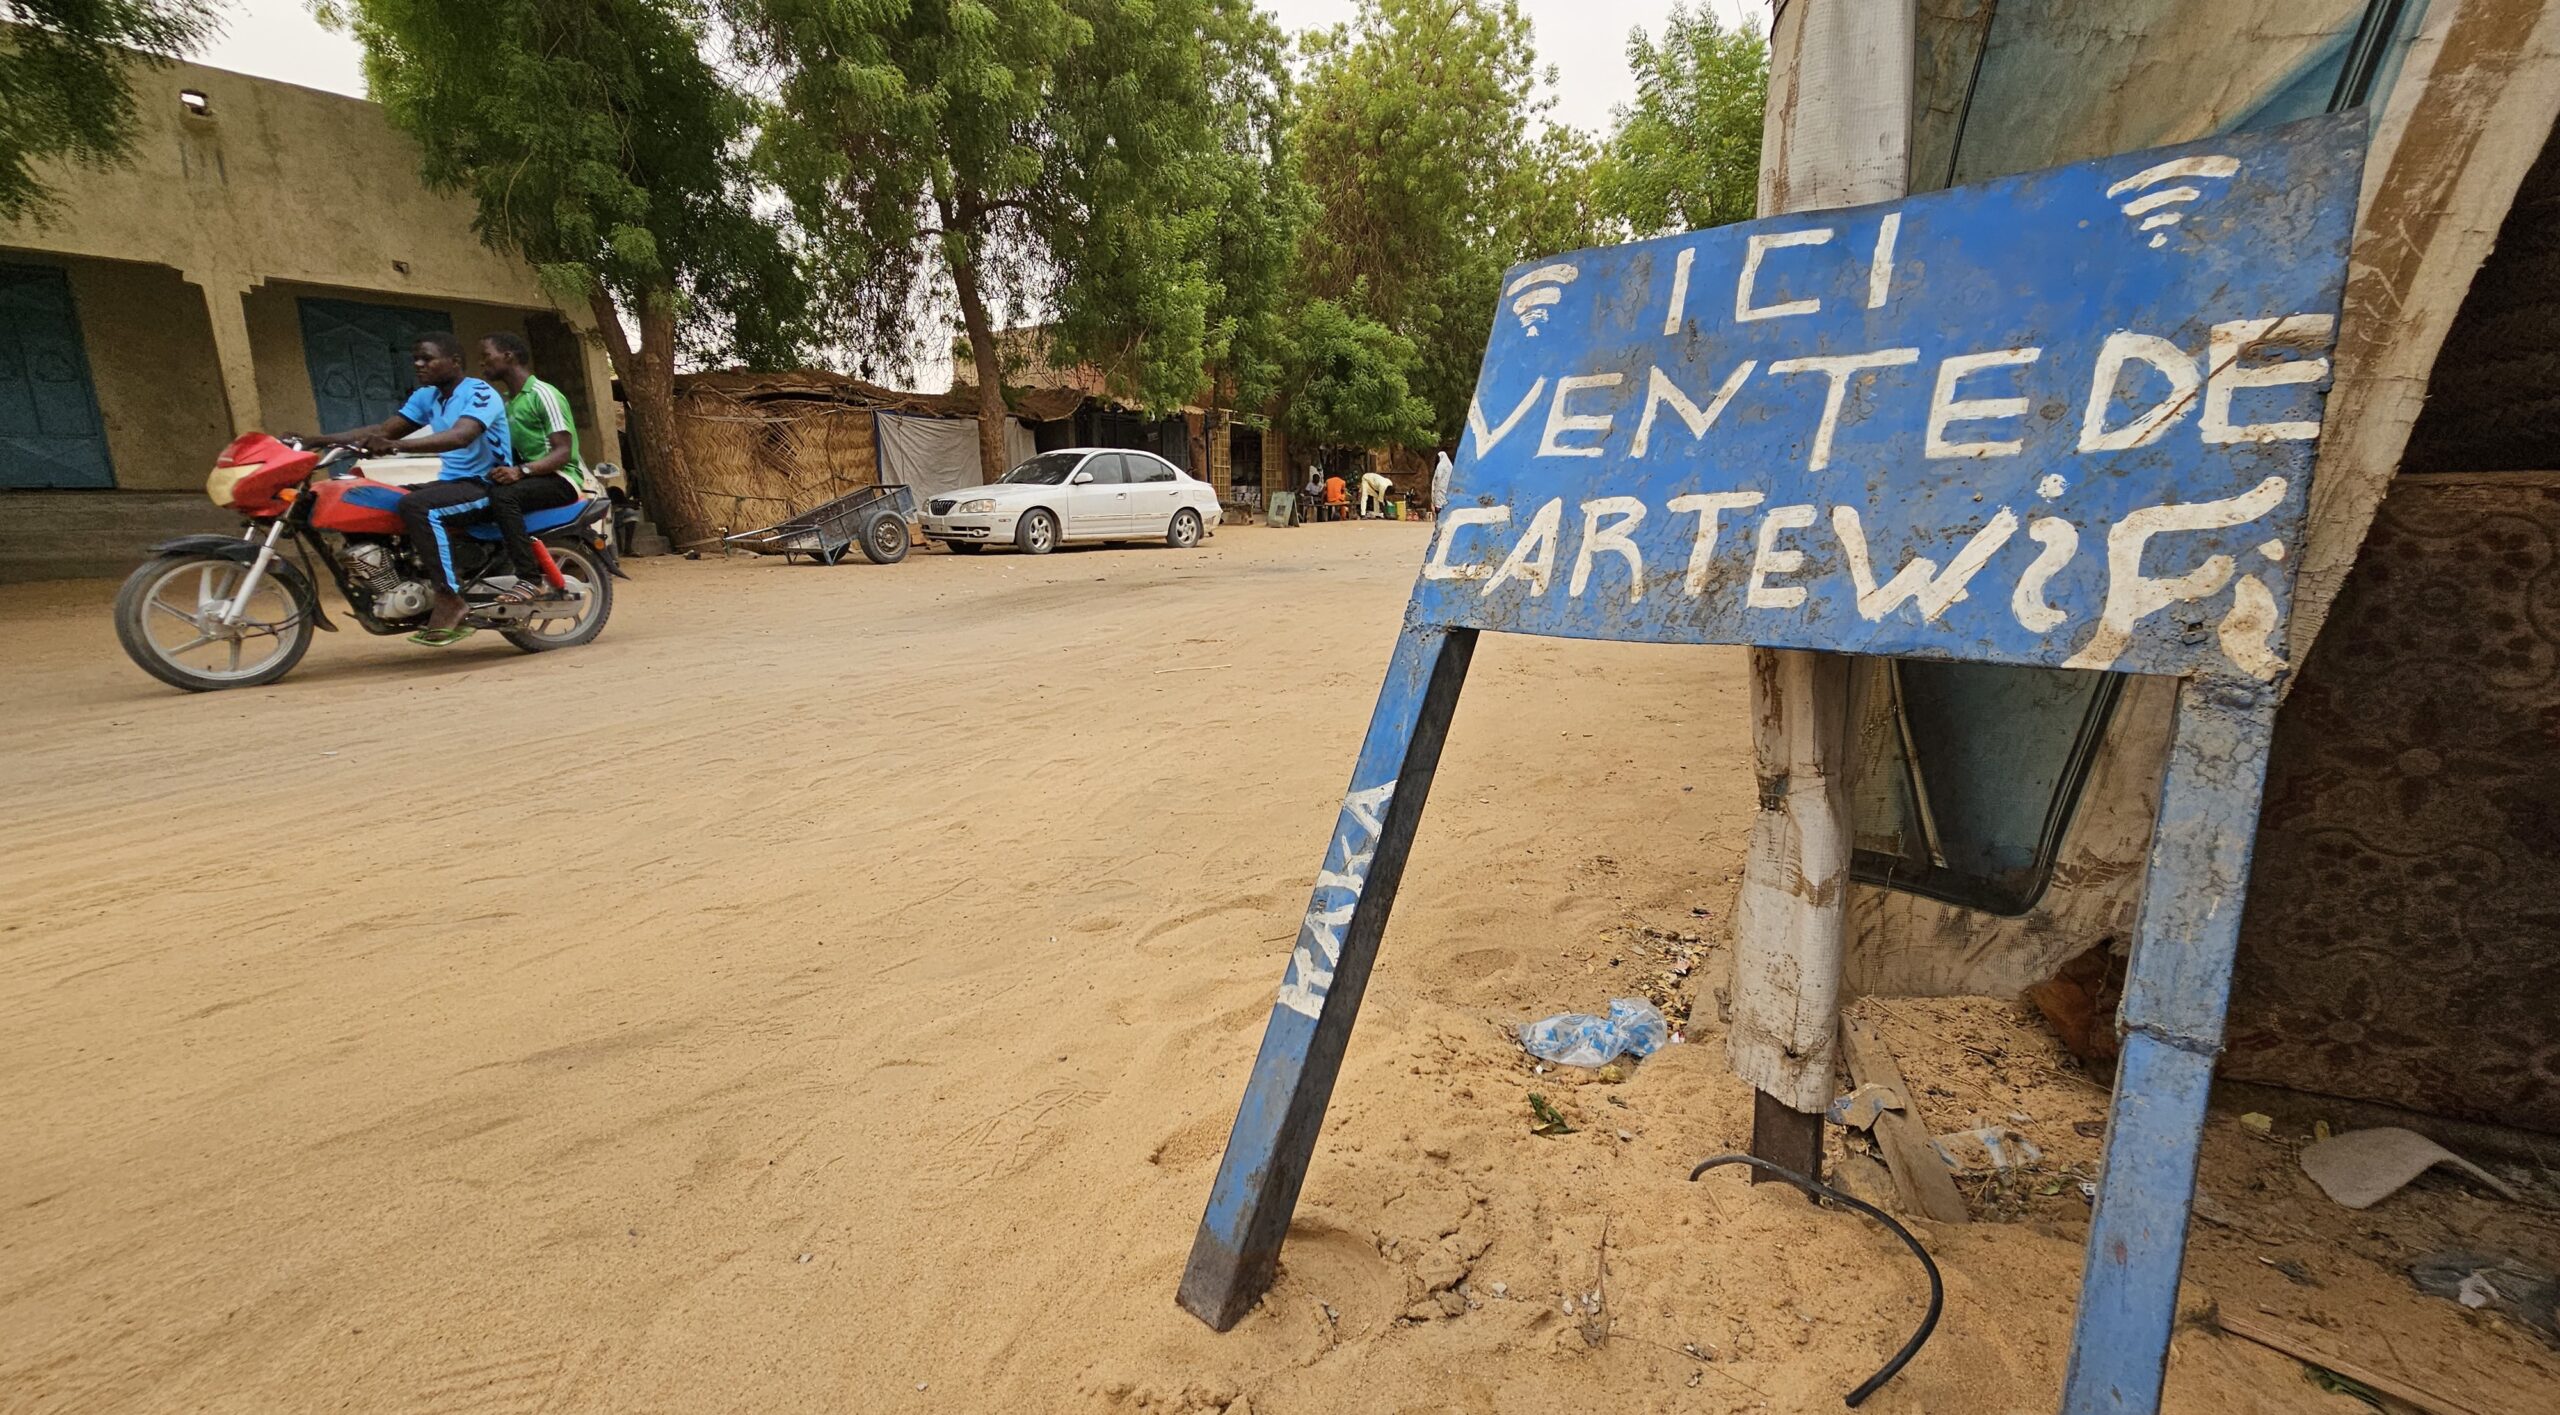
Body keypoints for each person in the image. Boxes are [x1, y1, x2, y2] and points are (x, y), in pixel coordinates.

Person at [305, 332, 512, 645]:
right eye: (416, 358)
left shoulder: (480, 392)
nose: (418, 364)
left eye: (427, 358)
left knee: (417, 506)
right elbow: (382, 431)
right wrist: (317, 441)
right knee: (370, 499)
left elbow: (460, 436)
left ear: (454, 362)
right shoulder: (427, 396)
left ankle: (449, 596)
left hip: (486, 483)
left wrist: (394, 446)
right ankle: (397, 581)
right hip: (451, 482)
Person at [475, 332, 586, 601]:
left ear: (508, 356)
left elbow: (563, 452)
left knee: (504, 495)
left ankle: (529, 579)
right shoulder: (508, 403)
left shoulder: (543, 394)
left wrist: (520, 471)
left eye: (486, 356)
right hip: (534, 478)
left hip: (561, 478)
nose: (482, 364)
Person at [1431, 449, 1453, 519]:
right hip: (1448, 491)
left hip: (1440, 490)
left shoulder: (1440, 466)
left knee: (1439, 508)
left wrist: (1434, 495)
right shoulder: (1450, 466)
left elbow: (1438, 478)